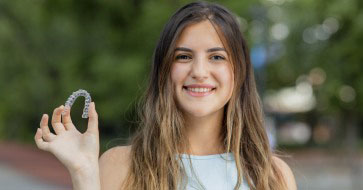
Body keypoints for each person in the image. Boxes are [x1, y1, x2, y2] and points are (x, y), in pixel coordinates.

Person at [34, 1, 297, 190]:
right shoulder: (121, 165)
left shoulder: (272, 176)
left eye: (216, 57)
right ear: (164, 71)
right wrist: (83, 173)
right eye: (183, 56)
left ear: (238, 72)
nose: (199, 71)